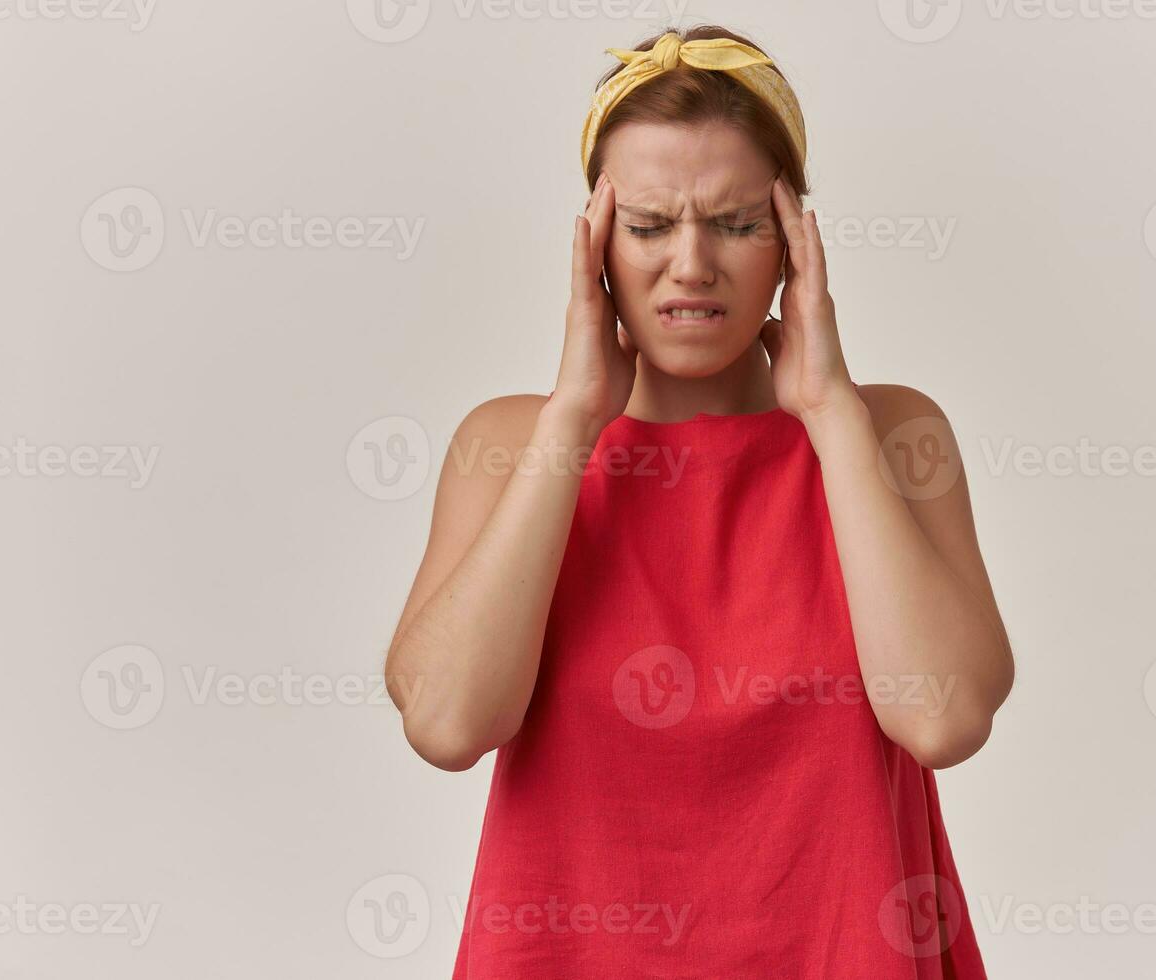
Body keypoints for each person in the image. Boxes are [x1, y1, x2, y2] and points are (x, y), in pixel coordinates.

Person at [383, 24, 1014, 979]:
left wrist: (828, 408)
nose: (691, 264)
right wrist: (571, 424)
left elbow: (945, 720)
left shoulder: (886, 436)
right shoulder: (511, 444)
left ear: (795, 235)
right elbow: (449, 724)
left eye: (735, 222)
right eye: (647, 226)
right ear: (593, 241)